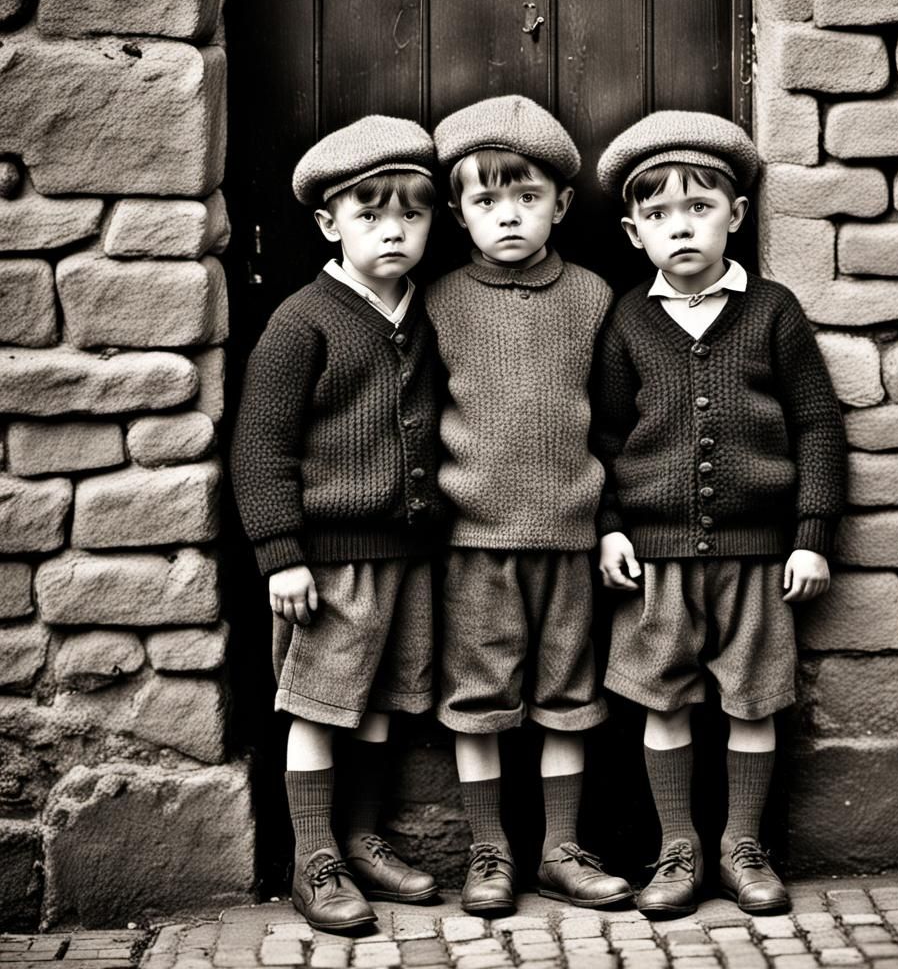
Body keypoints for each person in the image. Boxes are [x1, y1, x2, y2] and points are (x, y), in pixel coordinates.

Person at [593, 111, 846, 917]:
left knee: (754, 700)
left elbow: (817, 425)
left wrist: (811, 537)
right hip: (656, 562)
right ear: (634, 232)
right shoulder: (628, 321)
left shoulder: (772, 311)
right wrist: (609, 527)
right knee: (662, 701)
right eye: (659, 213)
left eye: (699, 208)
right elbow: (602, 436)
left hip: (757, 560)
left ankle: (742, 843)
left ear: (735, 216)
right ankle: (680, 846)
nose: (681, 227)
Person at [231, 115, 445, 931]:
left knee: (380, 703)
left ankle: (360, 838)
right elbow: (260, 446)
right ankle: (313, 858)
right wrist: (281, 553)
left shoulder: (426, 313)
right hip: (327, 562)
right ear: (329, 224)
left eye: (412, 214)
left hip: (405, 556)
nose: (393, 230)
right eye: (369, 214)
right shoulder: (304, 320)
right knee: (318, 706)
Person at [426, 95, 632, 915]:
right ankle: (489, 850)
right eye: (486, 200)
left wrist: (608, 525)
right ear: (458, 213)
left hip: (570, 540)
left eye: (527, 197)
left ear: (563, 204)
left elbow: (613, 425)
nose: (507, 215)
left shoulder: (593, 297)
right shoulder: (438, 300)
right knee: (478, 701)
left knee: (568, 698)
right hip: (474, 544)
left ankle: (559, 850)